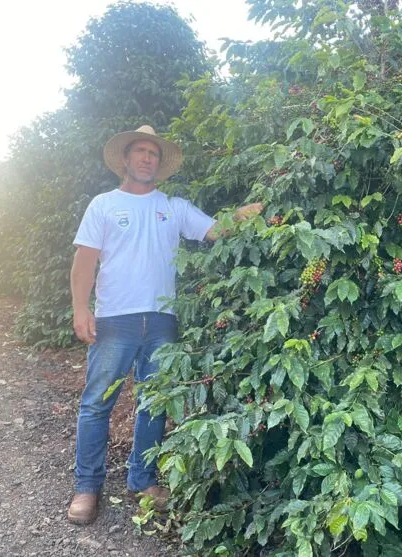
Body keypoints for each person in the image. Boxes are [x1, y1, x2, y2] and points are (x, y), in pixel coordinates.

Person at [67, 125, 262, 525]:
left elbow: (218, 228)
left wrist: (263, 206)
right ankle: (87, 487)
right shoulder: (103, 205)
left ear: (160, 163)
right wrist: (79, 309)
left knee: (153, 405)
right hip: (113, 320)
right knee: (96, 405)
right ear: (125, 159)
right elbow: (85, 260)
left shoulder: (173, 206)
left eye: (153, 154)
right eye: (139, 151)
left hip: (161, 322)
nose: (146, 158)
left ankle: (141, 480)